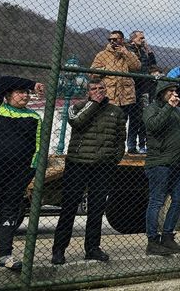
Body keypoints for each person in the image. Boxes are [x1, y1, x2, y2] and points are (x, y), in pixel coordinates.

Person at [51, 78, 125, 265]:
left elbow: (120, 139)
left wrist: (113, 158)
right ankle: (59, 249)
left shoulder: (115, 111)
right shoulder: (77, 107)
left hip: (102, 167)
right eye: (94, 89)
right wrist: (93, 104)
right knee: (69, 208)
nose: (98, 91)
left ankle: (92, 248)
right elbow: (77, 123)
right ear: (88, 92)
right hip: (78, 163)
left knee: (96, 209)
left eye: (101, 88)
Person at [0, 76, 44, 271]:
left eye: (27, 93)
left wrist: (29, 173)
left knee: (9, 214)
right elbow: (2, 81)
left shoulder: (34, 117)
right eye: (20, 92)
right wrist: (32, 84)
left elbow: (38, 149)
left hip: (17, 176)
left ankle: (5, 255)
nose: (25, 96)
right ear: (8, 96)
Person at [143, 79, 180, 256]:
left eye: (175, 91)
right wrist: (169, 107)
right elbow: (153, 126)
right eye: (170, 91)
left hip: (178, 164)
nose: (174, 94)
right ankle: (152, 241)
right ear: (162, 93)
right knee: (157, 201)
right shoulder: (151, 109)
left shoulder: (178, 111)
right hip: (160, 163)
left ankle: (168, 237)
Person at [91, 30, 141, 154]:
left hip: (126, 96)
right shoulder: (102, 55)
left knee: (121, 125)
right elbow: (92, 72)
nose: (112, 41)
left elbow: (137, 67)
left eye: (116, 39)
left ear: (122, 40)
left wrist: (126, 53)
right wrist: (107, 69)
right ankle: (106, 150)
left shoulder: (129, 53)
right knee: (108, 125)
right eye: (110, 39)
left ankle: (119, 150)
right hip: (109, 96)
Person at [126, 30, 156, 154]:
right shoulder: (128, 50)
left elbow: (153, 65)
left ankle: (138, 145)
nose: (143, 40)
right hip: (131, 88)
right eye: (141, 38)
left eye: (144, 38)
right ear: (133, 38)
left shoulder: (143, 52)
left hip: (143, 88)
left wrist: (148, 50)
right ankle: (130, 145)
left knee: (140, 118)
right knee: (130, 117)